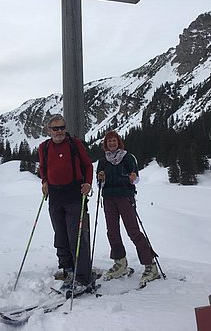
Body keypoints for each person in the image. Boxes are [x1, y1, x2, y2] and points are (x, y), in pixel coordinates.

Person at [97, 130, 160, 288]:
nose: (112, 143)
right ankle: (120, 262)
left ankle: (150, 265)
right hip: (109, 198)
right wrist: (101, 179)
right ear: (106, 144)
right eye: (109, 141)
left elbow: (135, 178)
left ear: (118, 142)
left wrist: (134, 179)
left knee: (133, 231)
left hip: (125, 197)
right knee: (112, 231)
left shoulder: (128, 157)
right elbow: (99, 182)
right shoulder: (103, 160)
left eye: (114, 141)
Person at [38, 114, 93, 294]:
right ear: (49, 130)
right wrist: (44, 181)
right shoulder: (44, 147)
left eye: (62, 127)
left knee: (76, 236)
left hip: (74, 193)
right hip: (54, 194)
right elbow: (43, 169)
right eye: (56, 128)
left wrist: (88, 183)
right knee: (60, 235)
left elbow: (88, 165)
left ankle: (83, 277)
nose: (60, 131)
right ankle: (68, 270)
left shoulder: (74, 144)